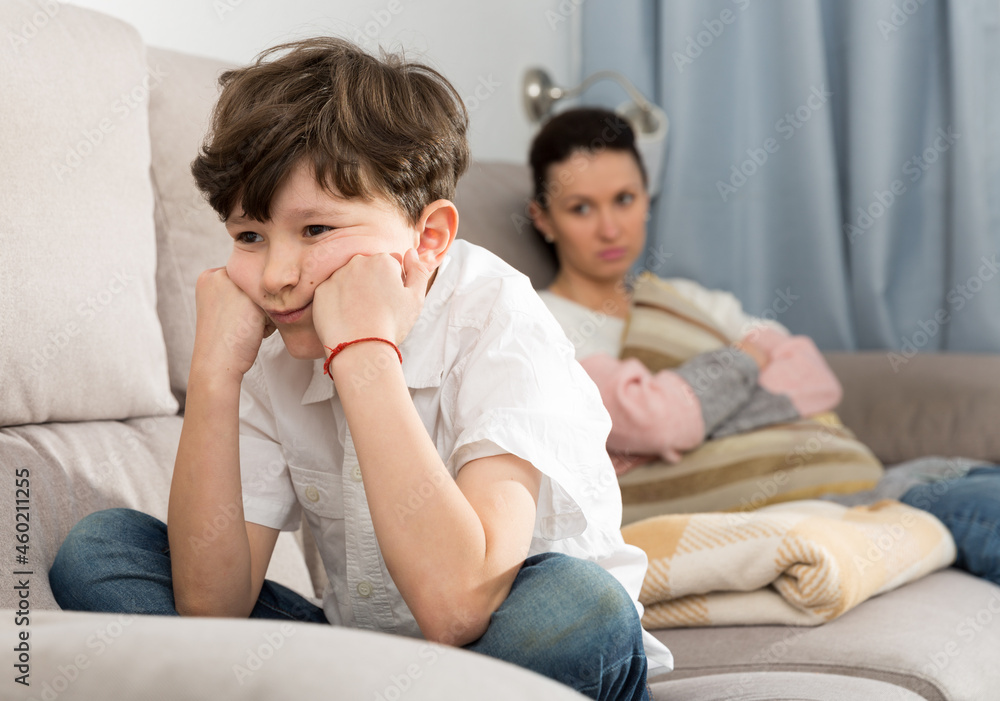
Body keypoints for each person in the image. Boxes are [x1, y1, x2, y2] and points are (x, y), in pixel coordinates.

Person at [48, 40, 671, 699]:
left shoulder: (499, 320)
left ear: (428, 239)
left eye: (316, 230)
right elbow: (210, 611)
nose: (278, 277)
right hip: (367, 666)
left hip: (505, 646)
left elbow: (459, 605)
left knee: (579, 604)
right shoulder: (272, 349)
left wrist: (366, 353)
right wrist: (212, 375)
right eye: (249, 236)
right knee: (102, 551)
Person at [527, 106, 1000, 587]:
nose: (610, 228)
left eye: (624, 199)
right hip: (801, 506)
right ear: (543, 219)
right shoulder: (544, 322)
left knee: (975, 482)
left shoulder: (691, 301)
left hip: (862, 478)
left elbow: (814, 377)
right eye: (581, 208)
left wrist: (699, 415)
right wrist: (745, 362)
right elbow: (658, 421)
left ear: (647, 199)